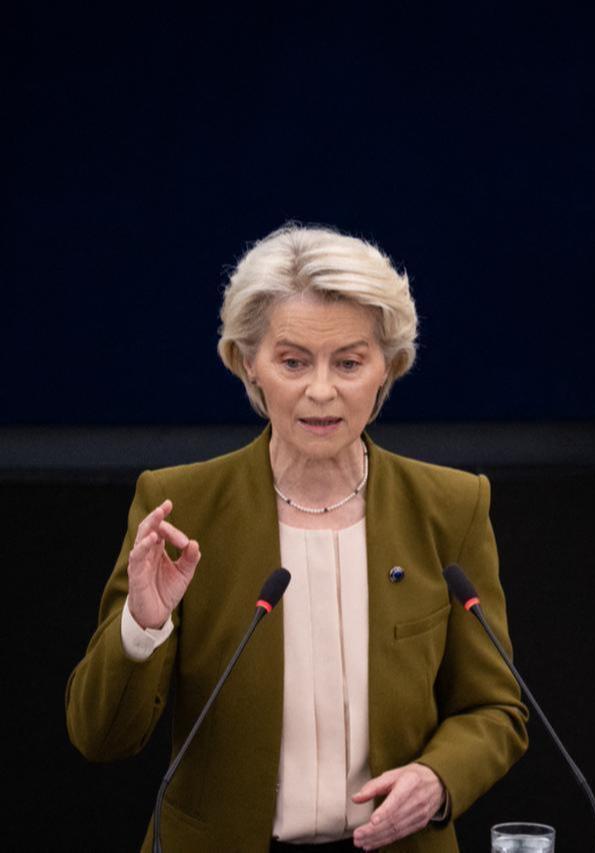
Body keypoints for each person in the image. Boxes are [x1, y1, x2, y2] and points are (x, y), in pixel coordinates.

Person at [66, 224, 528, 853]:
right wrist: (142, 627)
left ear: (387, 368)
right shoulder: (182, 507)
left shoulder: (449, 508)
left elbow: (495, 708)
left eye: (349, 362)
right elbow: (101, 737)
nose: (320, 390)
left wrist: (437, 778)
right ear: (247, 362)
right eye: (292, 361)